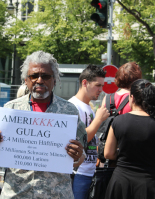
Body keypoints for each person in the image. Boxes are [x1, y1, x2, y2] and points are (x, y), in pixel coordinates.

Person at [0, 50, 87, 199]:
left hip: (56, 194)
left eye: (45, 76)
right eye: (34, 76)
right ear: (26, 80)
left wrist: (77, 156)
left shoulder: (69, 111)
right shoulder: (10, 110)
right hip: (17, 194)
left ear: (55, 80)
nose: (39, 80)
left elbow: (80, 157)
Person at [104, 79, 155, 199]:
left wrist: (126, 153)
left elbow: (108, 153)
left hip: (121, 182)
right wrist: (149, 155)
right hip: (148, 184)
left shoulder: (117, 121)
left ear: (132, 97)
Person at [68, 64, 110, 199]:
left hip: (88, 172)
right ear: (85, 83)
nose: (101, 90)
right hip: (78, 173)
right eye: (98, 85)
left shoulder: (88, 107)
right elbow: (78, 139)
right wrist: (98, 120)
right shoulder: (73, 106)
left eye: (102, 86)